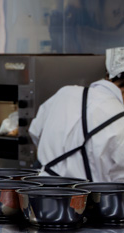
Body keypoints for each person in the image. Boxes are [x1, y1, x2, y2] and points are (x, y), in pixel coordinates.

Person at [29, 47, 124, 182]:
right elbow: (120, 177)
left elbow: (35, 132)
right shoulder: (120, 119)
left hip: (42, 193)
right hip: (87, 201)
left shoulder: (65, 93)